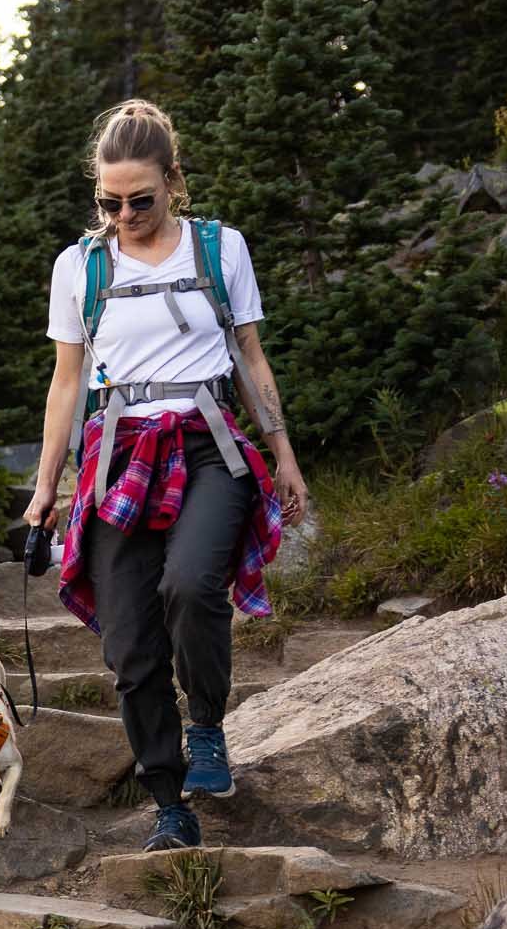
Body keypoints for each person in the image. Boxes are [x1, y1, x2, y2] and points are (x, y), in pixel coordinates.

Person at [24, 100, 309, 852]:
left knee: (189, 581)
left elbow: (249, 355)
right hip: (118, 450)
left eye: (139, 200)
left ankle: (207, 726)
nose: (124, 215)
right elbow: (66, 383)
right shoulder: (79, 266)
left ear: (173, 182)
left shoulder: (220, 249)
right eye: (108, 202)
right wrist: (44, 487)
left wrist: (281, 450)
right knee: (130, 644)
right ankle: (168, 803)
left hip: (210, 441)